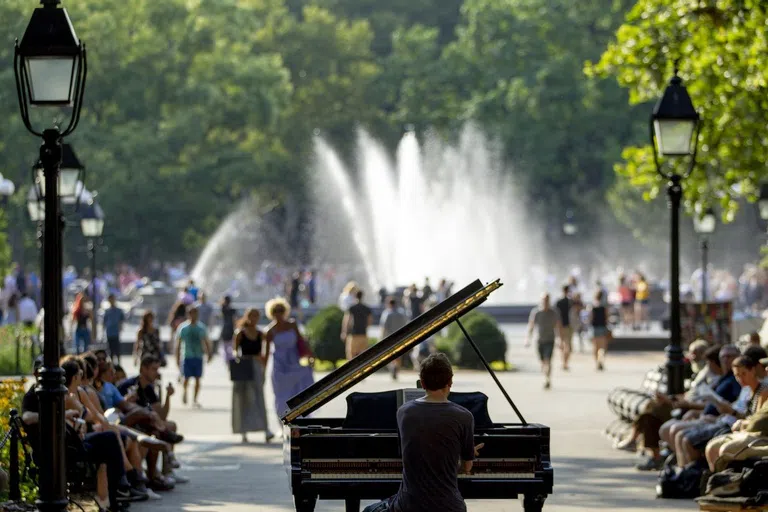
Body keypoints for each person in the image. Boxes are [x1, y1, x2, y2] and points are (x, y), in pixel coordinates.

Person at [362, 353, 483, 512]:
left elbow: (410, 452)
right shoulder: (465, 416)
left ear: (422, 383)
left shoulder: (403, 412)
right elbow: (466, 468)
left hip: (409, 506)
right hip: (450, 507)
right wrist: (461, 454)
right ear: (450, 382)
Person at [265, 297, 314, 424]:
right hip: (279, 366)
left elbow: (301, 341)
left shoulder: (292, 324)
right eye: (276, 311)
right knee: (281, 396)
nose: (278, 313)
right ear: (272, 313)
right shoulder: (270, 331)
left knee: (297, 393)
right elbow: (265, 353)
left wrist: (310, 355)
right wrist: (262, 370)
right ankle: (282, 423)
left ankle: (299, 421)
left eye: (281, 310)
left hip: (294, 362)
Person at [232, 308, 273, 443]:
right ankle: (243, 430)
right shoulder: (240, 334)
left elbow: (265, 352)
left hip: (256, 365)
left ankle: (265, 429)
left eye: (256, 316)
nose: (254, 318)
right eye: (251, 315)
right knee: (243, 398)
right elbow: (234, 351)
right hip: (244, 365)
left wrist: (264, 366)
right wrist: (238, 364)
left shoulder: (261, 334)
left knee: (259, 397)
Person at [175, 306, 212, 407]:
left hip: (198, 356)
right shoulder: (183, 328)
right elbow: (178, 344)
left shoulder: (201, 327)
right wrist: (177, 357)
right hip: (187, 356)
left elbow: (206, 341)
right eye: (191, 313)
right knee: (186, 378)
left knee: (197, 379)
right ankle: (185, 391)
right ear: (188, 314)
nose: (193, 315)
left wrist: (209, 354)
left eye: (195, 313)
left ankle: (195, 399)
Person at [525, 293, 560, 389]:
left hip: (550, 339)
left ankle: (547, 379)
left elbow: (557, 326)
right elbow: (531, 325)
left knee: (548, 360)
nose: (546, 302)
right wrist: (528, 339)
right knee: (542, 361)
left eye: (547, 300)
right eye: (544, 300)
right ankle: (545, 373)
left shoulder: (554, 312)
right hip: (540, 340)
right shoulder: (536, 312)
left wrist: (559, 339)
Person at [380, 298, 408, 379]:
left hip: (389, 337)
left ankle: (393, 367)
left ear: (389, 304)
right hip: (399, 337)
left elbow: (383, 326)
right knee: (398, 355)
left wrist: (382, 337)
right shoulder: (402, 313)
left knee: (389, 355)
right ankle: (396, 369)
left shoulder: (387, 313)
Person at [341, 290, 372, 360]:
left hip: (353, 335)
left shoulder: (352, 308)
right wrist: (365, 327)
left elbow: (346, 321)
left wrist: (344, 332)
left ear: (355, 296)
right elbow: (370, 321)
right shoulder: (367, 308)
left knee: (351, 354)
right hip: (363, 334)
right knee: (363, 356)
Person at [589, 290, 610, 371]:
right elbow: (607, 317)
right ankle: (601, 360)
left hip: (594, 328)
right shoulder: (604, 307)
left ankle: (597, 362)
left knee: (595, 347)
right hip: (602, 327)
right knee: (602, 347)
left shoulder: (592, 306)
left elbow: (590, 318)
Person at [554, 285, 572, 371]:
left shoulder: (559, 302)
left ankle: (564, 362)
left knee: (563, 344)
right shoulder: (570, 302)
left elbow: (555, 314)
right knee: (567, 345)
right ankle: (565, 362)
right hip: (567, 325)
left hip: (560, 325)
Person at [103, 295, 125, 365]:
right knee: (110, 350)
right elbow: (104, 322)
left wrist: (120, 327)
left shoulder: (119, 310)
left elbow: (122, 320)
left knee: (117, 349)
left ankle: (118, 363)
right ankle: (112, 363)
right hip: (109, 333)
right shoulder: (107, 311)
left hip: (116, 332)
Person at [219, 295, 237, 361]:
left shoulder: (223, 309)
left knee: (225, 346)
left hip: (225, 329)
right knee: (231, 346)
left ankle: (227, 360)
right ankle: (231, 359)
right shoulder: (233, 310)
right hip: (231, 329)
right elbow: (234, 320)